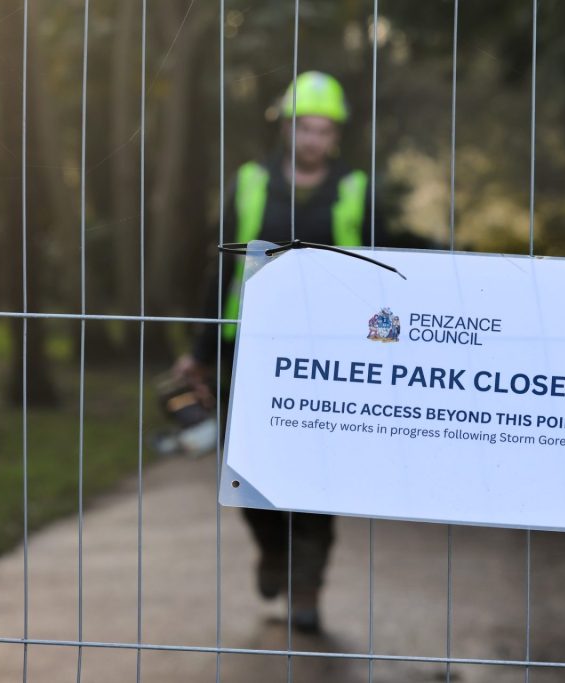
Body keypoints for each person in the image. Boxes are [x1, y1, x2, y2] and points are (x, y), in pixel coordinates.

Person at [174, 71, 384, 633]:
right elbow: (219, 266)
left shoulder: (357, 188)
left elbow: (388, 275)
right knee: (248, 472)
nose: (312, 139)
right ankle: (272, 549)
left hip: (328, 358)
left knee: (318, 477)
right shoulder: (249, 182)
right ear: (286, 128)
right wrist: (197, 350)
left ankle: (307, 589)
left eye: (323, 130)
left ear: (335, 136)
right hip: (246, 350)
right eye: (303, 127)